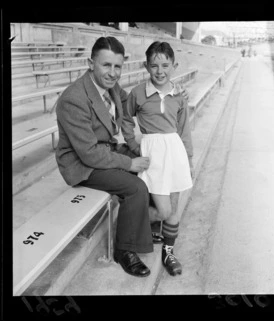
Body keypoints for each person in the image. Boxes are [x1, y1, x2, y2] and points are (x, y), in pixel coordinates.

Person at [55, 36, 155, 278]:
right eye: (106, 65)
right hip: (81, 164)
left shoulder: (110, 86)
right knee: (135, 187)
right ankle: (125, 251)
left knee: (151, 161)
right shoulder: (73, 99)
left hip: (105, 151)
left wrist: (168, 92)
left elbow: (129, 100)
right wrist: (128, 163)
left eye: (117, 66)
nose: (112, 73)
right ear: (91, 63)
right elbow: (88, 154)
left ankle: (146, 224)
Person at [121, 41, 193, 276]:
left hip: (175, 152)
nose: (160, 71)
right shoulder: (138, 93)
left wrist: (188, 159)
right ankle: (128, 224)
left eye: (165, 65)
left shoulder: (179, 94)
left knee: (174, 209)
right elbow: (125, 119)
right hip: (153, 154)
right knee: (163, 211)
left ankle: (168, 252)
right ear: (146, 66)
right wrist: (133, 144)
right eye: (154, 66)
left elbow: (184, 129)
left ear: (174, 65)